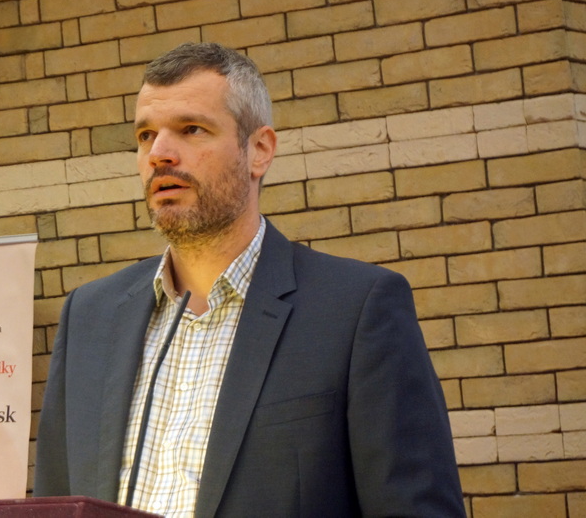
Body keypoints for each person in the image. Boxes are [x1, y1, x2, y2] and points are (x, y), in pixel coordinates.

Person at [33, 42, 464, 517]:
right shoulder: (89, 317)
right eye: (146, 135)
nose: (159, 154)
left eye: (191, 129)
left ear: (259, 150)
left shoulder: (357, 310)